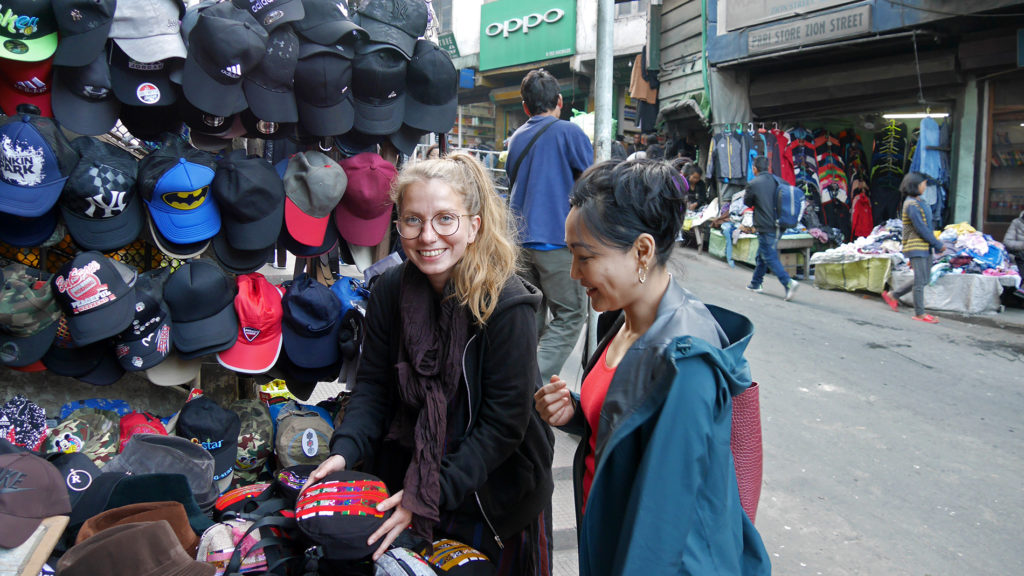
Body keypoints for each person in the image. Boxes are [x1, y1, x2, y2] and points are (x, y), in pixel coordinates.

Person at [305, 153, 555, 573]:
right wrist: (345, 451)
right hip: (409, 475)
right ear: (398, 225)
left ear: (474, 226)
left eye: (445, 219)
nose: (428, 236)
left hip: (491, 491)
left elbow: (502, 426)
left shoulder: (507, 304)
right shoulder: (388, 291)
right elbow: (373, 389)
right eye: (413, 220)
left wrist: (429, 492)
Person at [533, 159, 771, 576]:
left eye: (584, 257)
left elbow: (664, 524)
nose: (574, 273)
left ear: (642, 251)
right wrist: (576, 412)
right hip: (609, 539)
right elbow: (630, 425)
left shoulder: (687, 361)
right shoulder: (624, 321)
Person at [505, 68, 594, 382]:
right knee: (571, 314)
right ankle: (529, 385)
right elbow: (592, 184)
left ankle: (514, 378)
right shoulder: (569, 132)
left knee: (533, 317)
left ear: (526, 107)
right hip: (555, 240)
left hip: (517, 240)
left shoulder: (516, 138)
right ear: (559, 101)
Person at [882, 172, 945, 323]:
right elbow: (921, 228)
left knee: (923, 279)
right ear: (914, 186)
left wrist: (933, 244)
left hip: (925, 245)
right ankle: (920, 313)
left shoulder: (920, 202)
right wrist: (937, 244)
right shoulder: (911, 205)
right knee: (919, 281)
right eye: (923, 184)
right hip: (916, 245)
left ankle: (894, 295)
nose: (925, 186)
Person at [744, 156, 799, 300]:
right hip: (780, 225)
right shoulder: (779, 181)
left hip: (765, 226)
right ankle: (756, 283)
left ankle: (788, 283)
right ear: (768, 168)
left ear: (755, 169)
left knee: (768, 255)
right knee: (763, 254)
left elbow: (747, 202)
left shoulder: (753, 183)